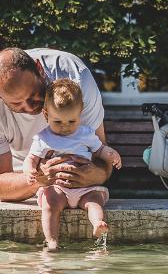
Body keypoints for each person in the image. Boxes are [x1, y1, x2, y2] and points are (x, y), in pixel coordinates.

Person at [0, 47, 112, 201]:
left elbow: (101, 158)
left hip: (78, 186)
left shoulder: (75, 77)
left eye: (33, 94)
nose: (30, 107)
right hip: (18, 186)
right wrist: (39, 179)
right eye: (16, 103)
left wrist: (95, 175)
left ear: (40, 69)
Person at [23, 79, 122, 250]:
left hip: (85, 187)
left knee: (94, 201)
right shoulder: (43, 138)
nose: (65, 127)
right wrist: (30, 170)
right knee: (49, 205)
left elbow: (99, 150)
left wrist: (111, 154)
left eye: (71, 121)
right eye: (58, 122)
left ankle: (98, 223)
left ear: (80, 113)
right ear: (46, 115)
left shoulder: (85, 133)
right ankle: (52, 240)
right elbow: (31, 158)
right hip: (58, 188)